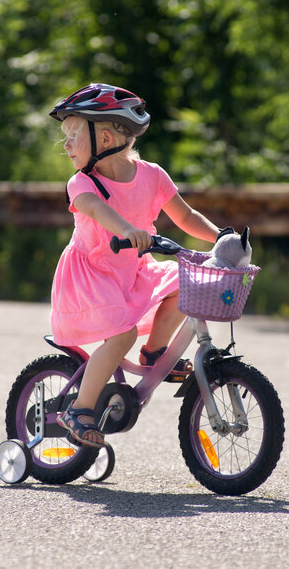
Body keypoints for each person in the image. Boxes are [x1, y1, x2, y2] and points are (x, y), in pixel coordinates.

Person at [48, 83, 221, 448]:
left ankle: (156, 352)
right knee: (122, 335)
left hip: (133, 270)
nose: (65, 145)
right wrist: (127, 229)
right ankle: (78, 410)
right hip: (92, 275)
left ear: (106, 137)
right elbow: (96, 209)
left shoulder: (152, 175)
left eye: (73, 134)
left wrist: (220, 237)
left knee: (184, 281)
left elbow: (186, 216)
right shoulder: (81, 182)